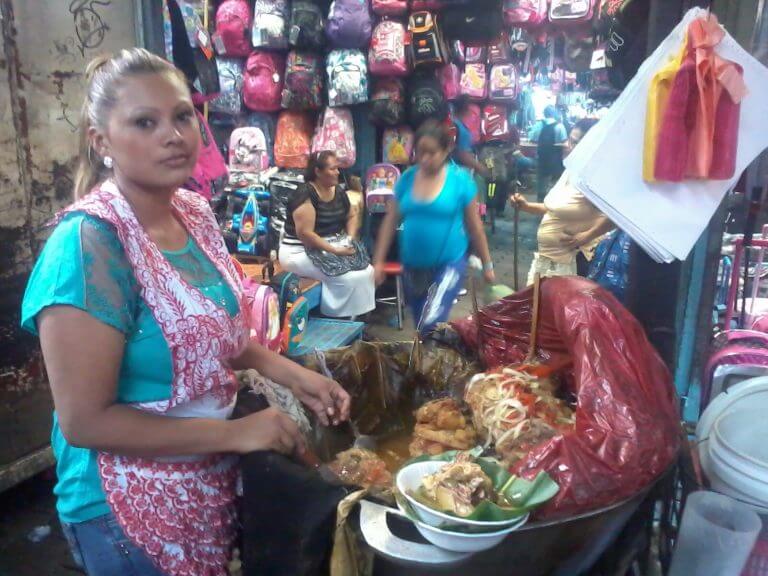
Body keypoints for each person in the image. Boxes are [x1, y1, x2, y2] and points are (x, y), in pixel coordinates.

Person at [21, 48, 350, 576]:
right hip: (123, 511)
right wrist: (237, 434)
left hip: (205, 486)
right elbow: (84, 421)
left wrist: (294, 374)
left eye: (181, 116)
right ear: (100, 141)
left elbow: (211, 336)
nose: (172, 135)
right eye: (144, 122)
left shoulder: (192, 212)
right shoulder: (88, 246)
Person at [373, 119, 496, 335]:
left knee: (431, 319)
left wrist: (487, 265)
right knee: (422, 323)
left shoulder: (460, 181)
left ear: (446, 149)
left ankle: (431, 357)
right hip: (412, 267)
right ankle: (430, 360)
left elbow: (475, 227)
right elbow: (390, 222)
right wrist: (378, 262)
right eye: (421, 152)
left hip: (449, 264)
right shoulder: (407, 179)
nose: (425, 159)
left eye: (432, 153)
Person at [512, 118, 615, 286]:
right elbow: (552, 208)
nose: (570, 146)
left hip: (573, 263)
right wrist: (526, 206)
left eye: (576, 142)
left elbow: (614, 216)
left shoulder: (597, 178)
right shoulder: (571, 170)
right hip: (547, 261)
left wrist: (586, 236)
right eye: (570, 140)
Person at [279, 151, 376, 318]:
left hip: (332, 244)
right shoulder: (305, 194)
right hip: (299, 251)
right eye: (333, 169)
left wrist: (351, 239)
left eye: (337, 168)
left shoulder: (337, 191)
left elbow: (351, 215)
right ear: (318, 171)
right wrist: (335, 251)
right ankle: (336, 318)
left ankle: (356, 320)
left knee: (367, 270)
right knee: (347, 278)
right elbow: (306, 234)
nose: (338, 172)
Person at [528, 105, 568, 201]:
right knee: (555, 185)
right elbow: (564, 143)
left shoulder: (538, 125)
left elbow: (532, 139)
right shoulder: (559, 126)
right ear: (554, 114)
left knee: (541, 184)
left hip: (541, 159)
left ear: (544, 114)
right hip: (555, 161)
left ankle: (539, 206)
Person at [452, 96, 490, 178]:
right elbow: (463, 155)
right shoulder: (462, 130)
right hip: (459, 172)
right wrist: (481, 168)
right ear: (466, 110)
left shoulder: (452, 124)